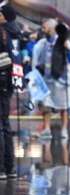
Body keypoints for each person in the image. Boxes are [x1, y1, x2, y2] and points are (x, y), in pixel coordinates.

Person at [32, 19, 70, 140]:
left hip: (61, 81)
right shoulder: (41, 44)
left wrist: (68, 51)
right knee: (46, 106)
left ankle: (64, 130)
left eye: (44, 28)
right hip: (46, 81)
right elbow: (37, 61)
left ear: (51, 29)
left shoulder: (64, 43)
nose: (42, 30)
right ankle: (46, 129)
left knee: (63, 107)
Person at [0, 5, 19, 179]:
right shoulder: (15, 33)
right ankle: (10, 168)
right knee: (5, 125)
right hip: (9, 83)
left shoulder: (2, 33)